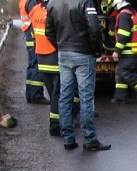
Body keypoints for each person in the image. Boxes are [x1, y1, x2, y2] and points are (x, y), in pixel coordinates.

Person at [45, 0, 111, 150]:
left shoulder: (52, 3)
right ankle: (89, 139)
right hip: (83, 54)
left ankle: (68, 139)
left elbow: (48, 31)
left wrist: (60, 46)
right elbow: (94, 28)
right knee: (86, 98)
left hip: (64, 54)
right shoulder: (85, 2)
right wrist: (96, 50)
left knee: (65, 96)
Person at [29, 0, 72, 135]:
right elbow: (58, 33)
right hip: (54, 58)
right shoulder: (54, 10)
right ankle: (55, 126)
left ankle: (59, 123)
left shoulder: (34, 10)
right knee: (57, 95)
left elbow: (33, 34)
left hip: (41, 58)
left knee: (53, 93)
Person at [19, 0, 47, 103]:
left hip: (29, 36)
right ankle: (36, 96)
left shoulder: (23, 1)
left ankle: (30, 95)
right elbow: (37, 17)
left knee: (31, 66)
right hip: (34, 37)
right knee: (36, 66)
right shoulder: (31, 2)